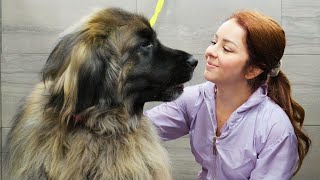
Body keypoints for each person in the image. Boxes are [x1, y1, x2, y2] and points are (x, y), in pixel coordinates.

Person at [144, 10, 311, 180]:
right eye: (214, 42)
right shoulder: (194, 100)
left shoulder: (275, 130)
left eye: (227, 49)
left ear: (253, 69)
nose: (210, 51)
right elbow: (135, 131)